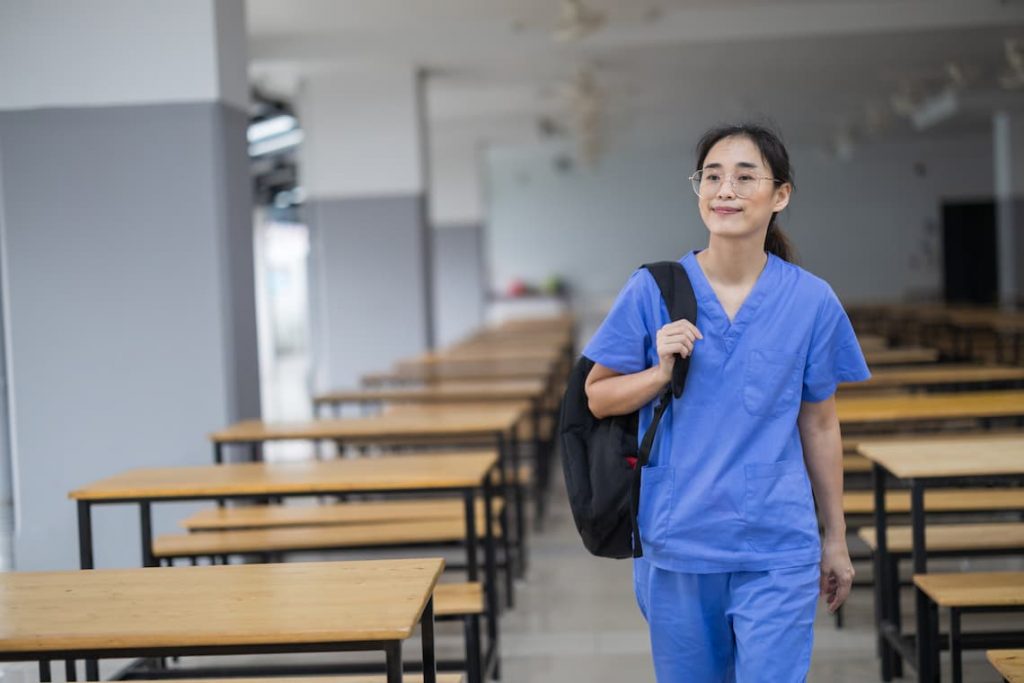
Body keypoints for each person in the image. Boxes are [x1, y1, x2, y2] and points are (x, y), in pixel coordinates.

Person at [582, 123, 870, 682]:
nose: (725, 190)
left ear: (780, 195)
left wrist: (835, 538)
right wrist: (658, 374)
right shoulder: (654, 290)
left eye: (744, 177)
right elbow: (597, 397)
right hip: (679, 540)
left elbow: (820, 426)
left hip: (777, 542)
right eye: (711, 177)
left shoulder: (812, 300)